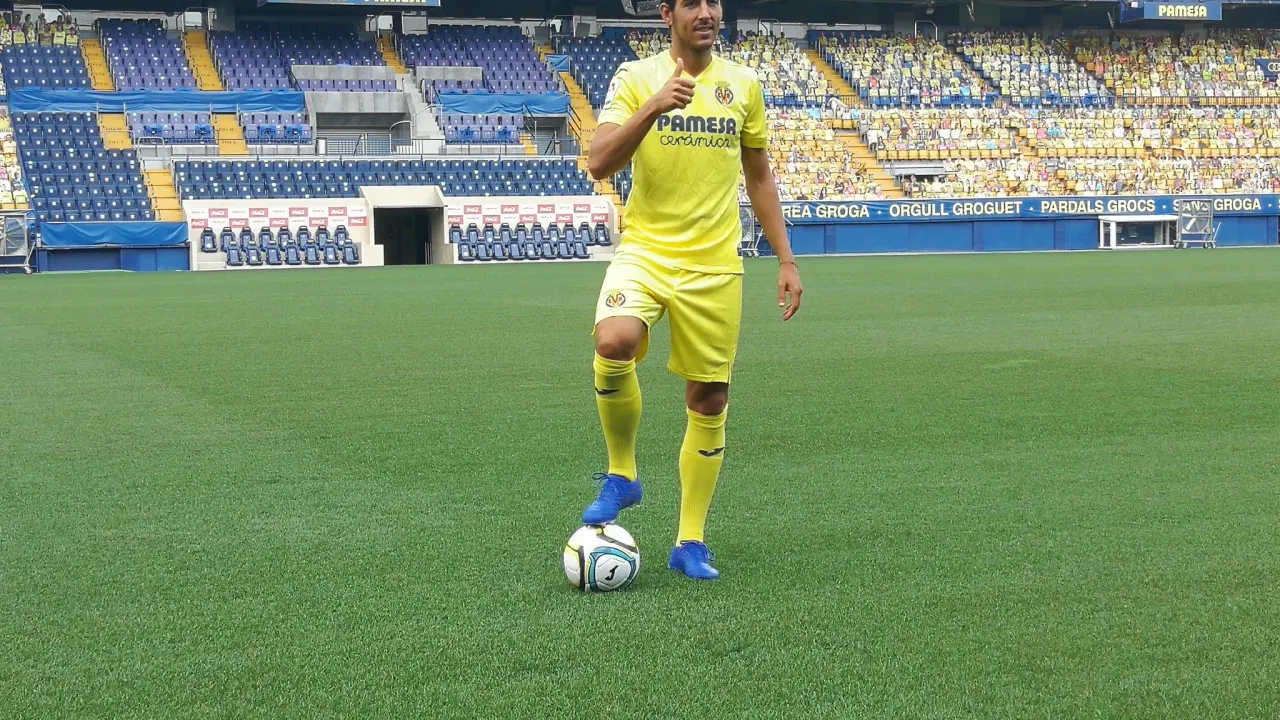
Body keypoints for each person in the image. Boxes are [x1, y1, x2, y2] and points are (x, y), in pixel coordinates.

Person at [580, 0, 802, 580]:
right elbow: (599, 162)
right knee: (613, 341)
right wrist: (654, 106)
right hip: (646, 251)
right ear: (666, 14)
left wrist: (785, 258)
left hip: (714, 266)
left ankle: (690, 542)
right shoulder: (636, 77)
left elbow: (759, 175)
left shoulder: (743, 84)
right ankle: (622, 473)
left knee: (708, 400)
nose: (706, 12)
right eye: (690, 3)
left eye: (713, 2)